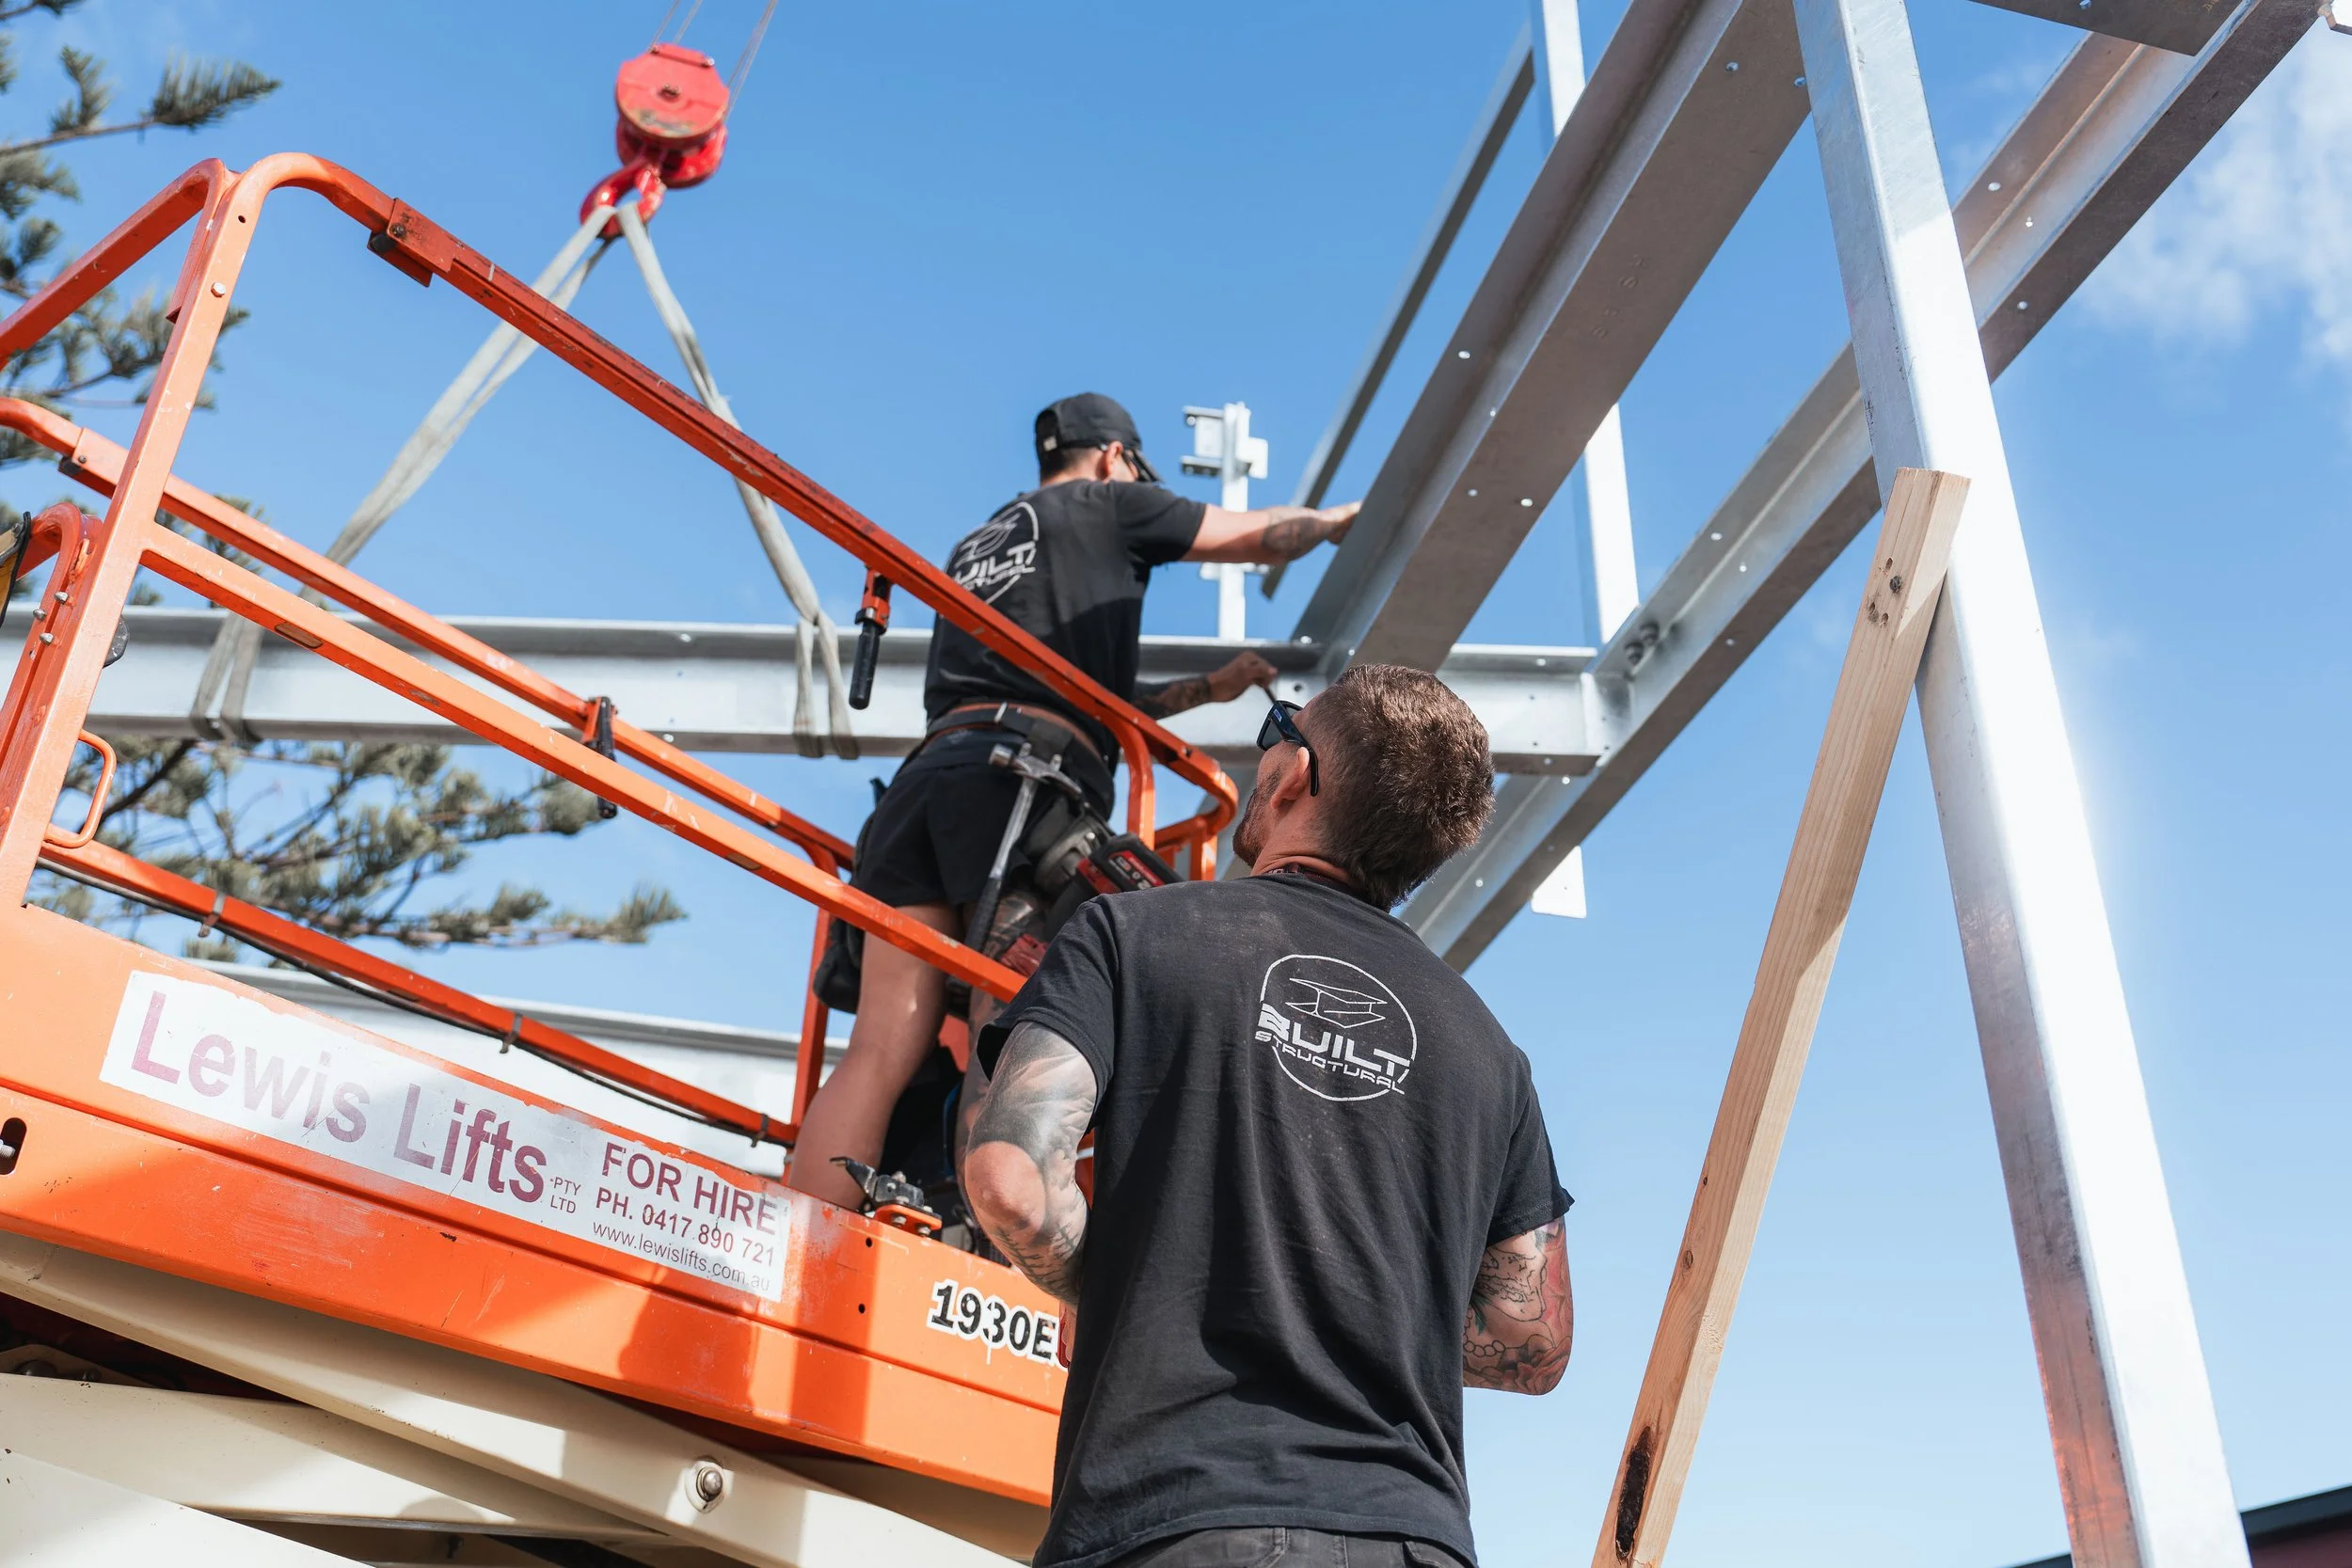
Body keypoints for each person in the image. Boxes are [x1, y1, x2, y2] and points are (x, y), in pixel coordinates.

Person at [962, 664, 1573, 1568]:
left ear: (1295, 775)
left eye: (1277, 729)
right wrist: (1362, 1311)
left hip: (1177, 1521)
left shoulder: (1130, 935)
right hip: (1412, 1540)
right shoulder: (1493, 1054)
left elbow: (1011, 1182)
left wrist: (1131, 1285)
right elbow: (1537, 1339)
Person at [789, 392, 1361, 1213]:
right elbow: (1251, 535)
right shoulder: (1110, 503)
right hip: (1020, 793)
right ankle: (992, 1262)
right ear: (1111, 458)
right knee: (1008, 1025)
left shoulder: (981, 543)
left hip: (928, 783)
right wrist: (1340, 521)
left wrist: (1212, 686)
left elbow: (1089, 694)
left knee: (879, 1046)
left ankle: (799, 1242)